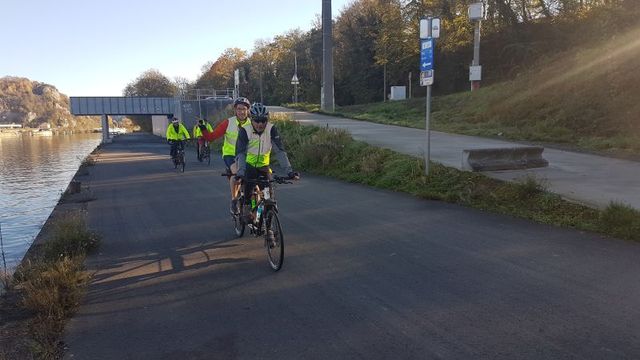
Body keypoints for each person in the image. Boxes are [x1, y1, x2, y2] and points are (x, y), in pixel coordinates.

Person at [234, 102, 299, 222]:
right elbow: (241, 153)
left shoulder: (271, 129)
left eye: (263, 120)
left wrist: (290, 172)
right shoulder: (245, 130)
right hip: (248, 167)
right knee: (249, 191)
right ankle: (248, 206)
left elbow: (280, 152)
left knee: (269, 198)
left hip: (264, 167)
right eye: (257, 120)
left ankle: (268, 227)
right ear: (251, 119)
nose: (260, 124)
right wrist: (241, 171)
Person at [199, 97, 252, 213]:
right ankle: (234, 200)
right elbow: (211, 137)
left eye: (244, 109)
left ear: (248, 110)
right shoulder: (228, 123)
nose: (241, 112)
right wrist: (203, 129)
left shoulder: (253, 123)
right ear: (235, 110)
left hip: (247, 155)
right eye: (239, 109)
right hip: (230, 154)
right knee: (236, 172)